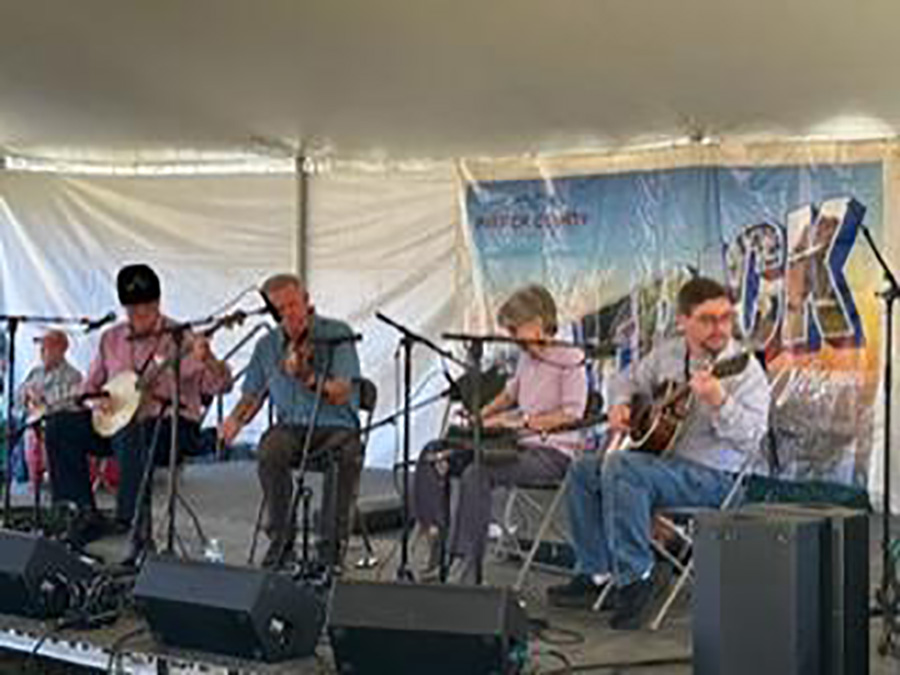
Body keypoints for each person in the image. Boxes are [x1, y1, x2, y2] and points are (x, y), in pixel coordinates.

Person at [547, 276, 770, 630]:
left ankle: (638, 577)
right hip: (663, 466)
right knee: (583, 470)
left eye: (726, 317)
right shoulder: (669, 352)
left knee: (623, 467)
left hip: (716, 478)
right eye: (707, 319)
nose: (719, 328)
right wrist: (621, 404)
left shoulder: (743, 370)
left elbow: (751, 439)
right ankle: (596, 573)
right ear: (683, 320)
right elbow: (626, 379)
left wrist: (719, 400)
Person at [44, 264, 232, 554]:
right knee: (60, 425)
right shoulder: (111, 338)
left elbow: (222, 385)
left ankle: (131, 523)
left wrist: (208, 359)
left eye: (145, 310)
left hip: (170, 425)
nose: (138, 318)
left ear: (157, 304)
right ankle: (80, 513)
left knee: (135, 431)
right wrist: (99, 401)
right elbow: (87, 389)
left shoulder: (181, 337)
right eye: (131, 311)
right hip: (116, 424)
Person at [413, 284, 588, 583]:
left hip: (552, 453)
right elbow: (509, 396)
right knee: (434, 454)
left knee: (476, 473)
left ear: (536, 323)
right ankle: (436, 539)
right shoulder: (527, 359)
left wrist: (521, 423)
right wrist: (479, 418)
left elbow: (572, 415)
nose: (510, 334)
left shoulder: (571, 358)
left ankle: (466, 564)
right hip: (517, 444)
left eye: (514, 328)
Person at [220, 273, 362, 569]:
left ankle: (330, 549)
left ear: (307, 300)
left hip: (335, 425)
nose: (288, 314)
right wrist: (234, 421)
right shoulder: (268, 345)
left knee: (346, 453)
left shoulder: (337, 333)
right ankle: (282, 544)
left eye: (293, 305)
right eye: (279, 310)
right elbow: (253, 396)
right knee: (270, 448)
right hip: (292, 428)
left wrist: (308, 378)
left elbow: (341, 392)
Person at [15, 330, 83, 491]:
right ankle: (34, 484)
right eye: (42, 348)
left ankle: (56, 483)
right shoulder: (35, 372)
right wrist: (27, 394)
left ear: (61, 350)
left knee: (52, 433)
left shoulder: (73, 376)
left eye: (47, 348)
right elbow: (18, 397)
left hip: (57, 426)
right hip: (33, 423)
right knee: (28, 435)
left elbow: (71, 402)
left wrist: (43, 398)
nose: (42, 352)